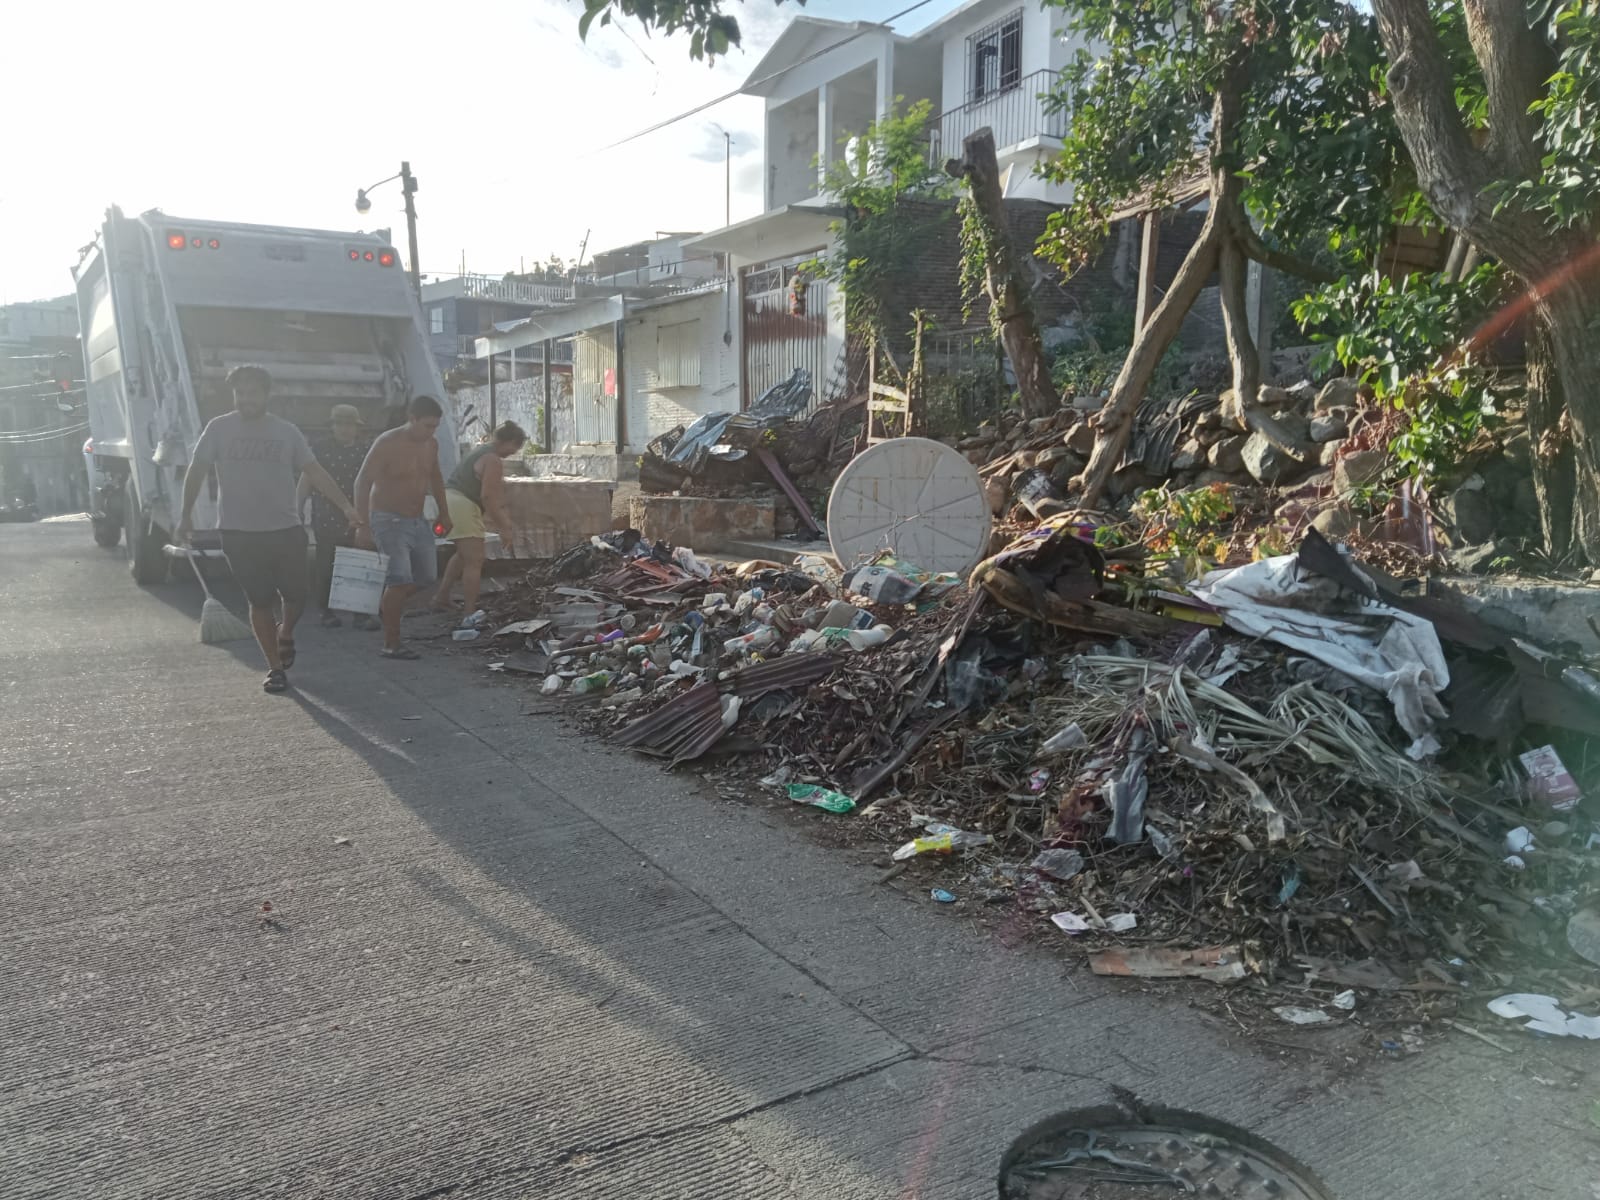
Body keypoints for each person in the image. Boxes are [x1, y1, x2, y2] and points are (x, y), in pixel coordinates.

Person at [177, 365, 363, 694]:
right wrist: (185, 515)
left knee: (296, 595)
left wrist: (346, 506)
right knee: (259, 600)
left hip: (285, 528)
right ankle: (275, 668)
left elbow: (314, 471)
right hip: (238, 532)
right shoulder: (218, 429)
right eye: (240, 393)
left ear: (266, 395)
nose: (245, 399)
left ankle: (286, 631)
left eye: (252, 393)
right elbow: (197, 470)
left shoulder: (286, 432)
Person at [352, 394, 453, 660]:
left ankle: (387, 604)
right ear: (412, 419)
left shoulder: (431, 444)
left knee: (427, 577)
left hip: (417, 519)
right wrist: (361, 524)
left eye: (435, 426)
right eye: (427, 425)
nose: (431, 431)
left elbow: (435, 477)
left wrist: (444, 512)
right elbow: (362, 482)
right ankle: (391, 643)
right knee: (399, 581)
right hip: (388, 519)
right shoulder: (387, 443)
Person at [432, 421, 525, 622]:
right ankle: (469, 613)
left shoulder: (481, 450)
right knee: (475, 560)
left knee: (463, 555)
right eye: (515, 448)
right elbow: (488, 497)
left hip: (451, 500)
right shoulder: (492, 459)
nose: (514, 453)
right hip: (462, 503)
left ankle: (441, 597)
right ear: (509, 442)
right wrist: (504, 527)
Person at [299, 404, 377, 630]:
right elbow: (307, 479)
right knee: (327, 563)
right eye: (340, 424)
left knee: (358, 561)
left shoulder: (365, 451)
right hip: (327, 514)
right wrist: (298, 508)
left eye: (349, 424)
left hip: (358, 512)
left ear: (357, 427)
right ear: (332, 426)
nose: (344, 429)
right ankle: (326, 611)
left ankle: (359, 614)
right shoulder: (319, 449)